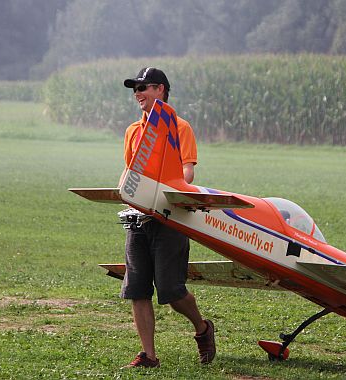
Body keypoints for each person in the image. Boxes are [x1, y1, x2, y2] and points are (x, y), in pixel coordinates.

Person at [118, 67, 215, 368]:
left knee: (172, 292)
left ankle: (202, 328)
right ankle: (149, 355)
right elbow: (130, 172)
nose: (137, 93)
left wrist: (168, 191)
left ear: (160, 90)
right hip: (138, 219)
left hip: (169, 218)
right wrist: (124, 192)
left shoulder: (179, 126)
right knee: (137, 289)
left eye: (143, 87)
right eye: (134, 88)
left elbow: (187, 170)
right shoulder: (134, 131)